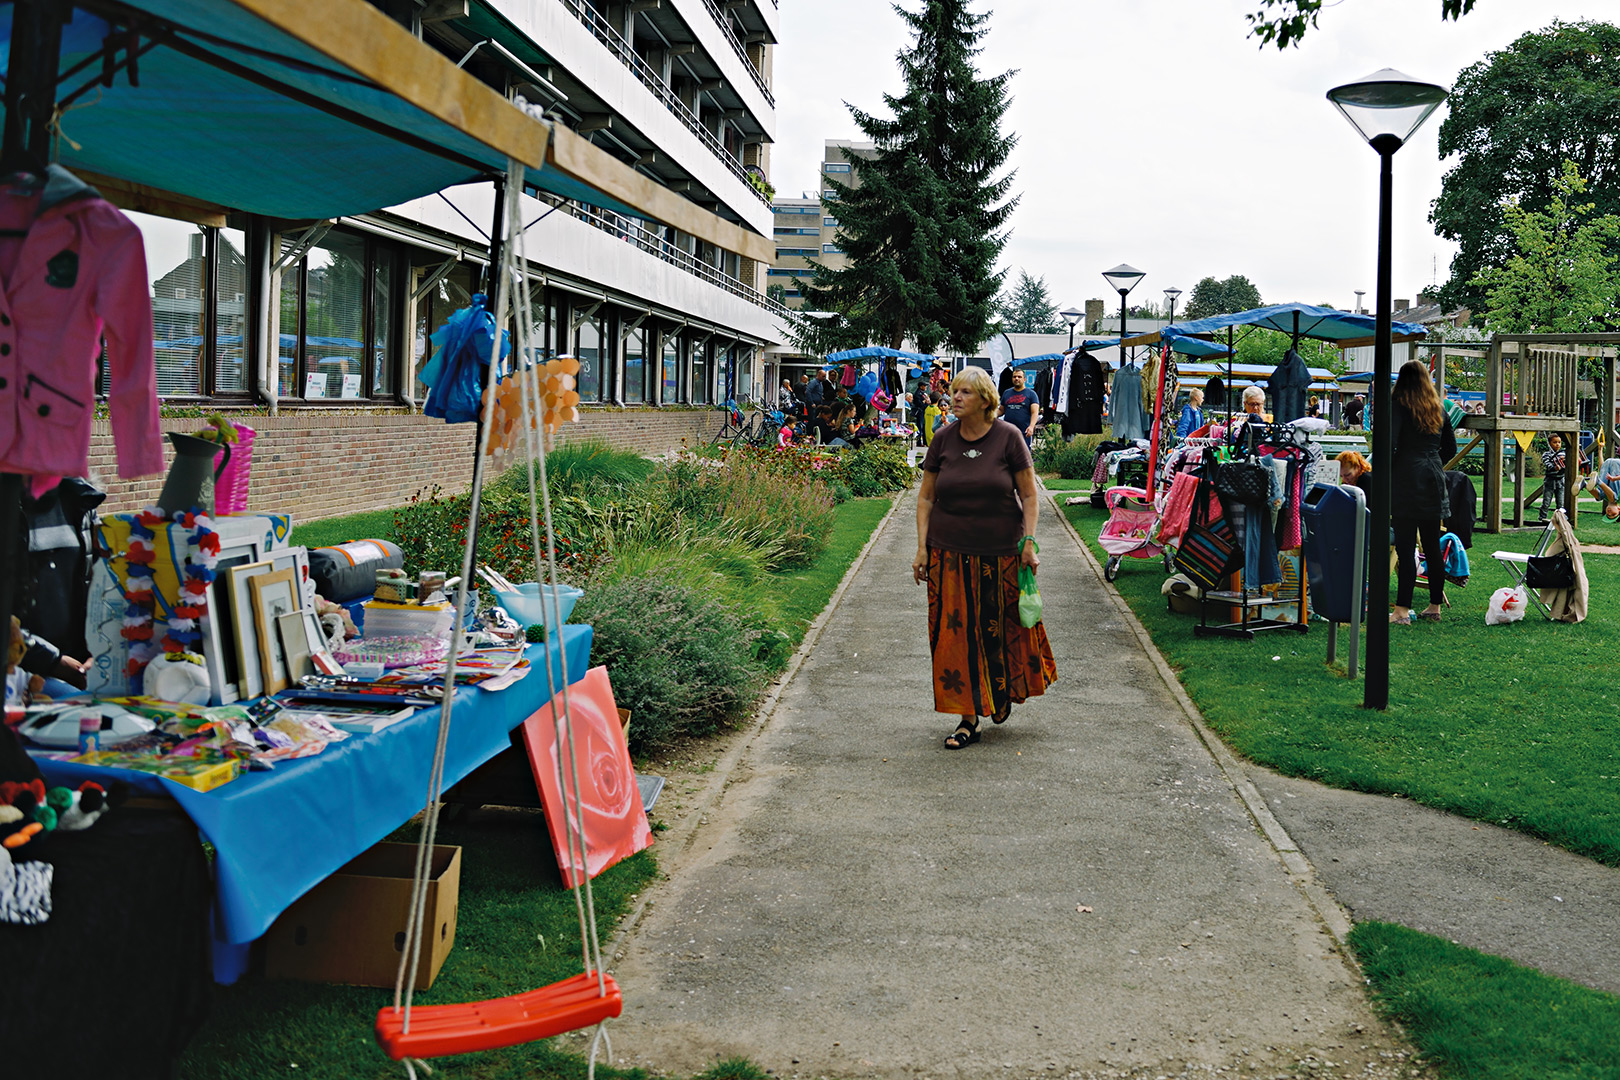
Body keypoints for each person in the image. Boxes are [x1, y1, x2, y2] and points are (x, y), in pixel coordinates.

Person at [912, 367, 1057, 750]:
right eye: (953, 391)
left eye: (964, 392)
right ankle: (968, 717)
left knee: (1003, 628)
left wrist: (1029, 542)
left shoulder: (1008, 438)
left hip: (1001, 553)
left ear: (985, 400)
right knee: (955, 635)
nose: (954, 397)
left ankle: (999, 692)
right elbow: (926, 497)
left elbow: (1029, 496)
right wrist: (922, 547)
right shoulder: (942, 439)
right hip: (949, 553)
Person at [1389, 359, 1456, 625]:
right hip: (1433, 476)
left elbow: (1390, 444)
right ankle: (1434, 606)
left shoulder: (1399, 406)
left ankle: (1402, 610)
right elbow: (1449, 448)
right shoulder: (1439, 408)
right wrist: (1433, 460)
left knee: (1406, 547)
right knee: (1430, 545)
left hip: (1407, 477)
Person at [1000, 367, 1041, 446]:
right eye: (1014, 377)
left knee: (1023, 455)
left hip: (1024, 432)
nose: (1016, 379)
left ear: (1024, 379)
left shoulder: (1031, 394)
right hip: (1008, 431)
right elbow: (1001, 410)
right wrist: (991, 415)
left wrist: (1031, 427)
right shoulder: (1006, 393)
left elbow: (1035, 412)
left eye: (1019, 377)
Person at [1540, 434, 1567, 520]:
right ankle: (1542, 517)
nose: (1557, 444)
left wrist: (1564, 462)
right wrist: (1554, 467)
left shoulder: (1563, 453)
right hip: (1550, 480)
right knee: (1546, 501)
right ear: (1549, 443)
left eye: (1559, 442)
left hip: (1560, 480)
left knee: (1561, 502)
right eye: (1554, 442)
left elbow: (1566, 465)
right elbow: (1547, 464)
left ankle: (1560, 518)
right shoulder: (1546, 454)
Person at [1593, 456, 1620, 520]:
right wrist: (1615, 478)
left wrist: (1600, 450)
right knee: (1614, 498)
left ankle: (1584, 484)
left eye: (1607, 514)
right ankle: (1597, 481)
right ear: (1619, 509)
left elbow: (1602, 470)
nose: (1609, 513)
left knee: (1599, 496)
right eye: (1613, 514)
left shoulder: (1605, 496)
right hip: (1617, 466)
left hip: (1607, 462)